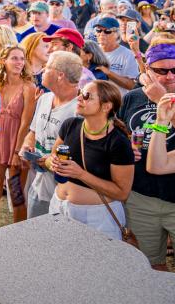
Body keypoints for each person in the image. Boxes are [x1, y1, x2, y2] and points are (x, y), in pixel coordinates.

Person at [117, 41, 175, 270]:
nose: (170, 76)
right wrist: (125, 145)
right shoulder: (133, 97)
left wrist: (162, 100)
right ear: (147, 71)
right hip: (141, 197)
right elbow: (121, 130)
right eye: (161, 71)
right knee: (148, 265)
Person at [48, 80, 134, 240]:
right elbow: (51, 158)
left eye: (86, 96)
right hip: (58, 207)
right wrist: (51, 163)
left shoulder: (118, 142)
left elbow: (122, 193)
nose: (79, 98)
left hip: (97, 217)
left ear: (106, 106)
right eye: (80, 93)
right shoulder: (70, 125)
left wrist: (80, 174)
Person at [19, 51, 82, 218]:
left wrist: (49, 160)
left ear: (60, 75)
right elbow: (32, 132)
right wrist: (27, 144)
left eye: (47, 67)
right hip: (39, 186)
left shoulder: (79, 109)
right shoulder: (44, 98)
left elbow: (79, 154)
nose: (42, 70)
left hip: (66, 195)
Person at [0, 46, 38, 228]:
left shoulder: (28, 87)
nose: (19, 62)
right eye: (14, 58)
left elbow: (26, 122)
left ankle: (18, 236)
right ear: (3, 61)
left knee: (16, 195)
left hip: (17, 142)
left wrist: (17, 152)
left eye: (22, 59)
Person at [93, 17, 140, 90]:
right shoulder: (92, 51)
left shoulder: (127, 55)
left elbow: (133, 85)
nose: (101, 34)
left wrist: (109, 73)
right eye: (98, 30)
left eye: (107, 31)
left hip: (119, 100)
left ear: (117, 34)